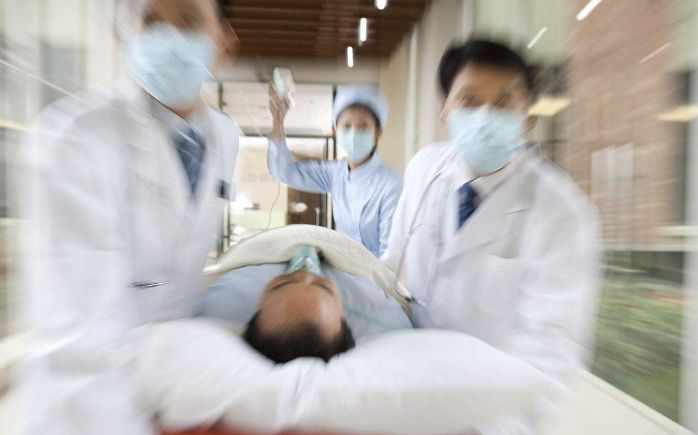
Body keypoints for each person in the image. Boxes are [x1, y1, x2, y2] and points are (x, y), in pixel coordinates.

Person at [19, 1, 241, 434]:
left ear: (225, 45)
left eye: (190, 21)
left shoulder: (225, 137)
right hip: (85, 412)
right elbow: (77, 346)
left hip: (167, 388)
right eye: (150, 21)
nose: (167, 38)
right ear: (123, 34)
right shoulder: (75, 138)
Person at [383, 39, 601, 433]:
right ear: (445, 110)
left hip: (489, 412)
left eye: (503, 102)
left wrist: (490, 426)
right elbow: (391, 264)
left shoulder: (562, 212)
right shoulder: (424, 169)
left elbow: (549, 352)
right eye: (468, 100)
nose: (484, 116)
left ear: (527, 117)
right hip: (409, 385)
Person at [197, 226, 413, 363]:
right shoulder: (387, 320)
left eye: (282, 283)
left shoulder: (219, 304)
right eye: (324, 287)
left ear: (258, 305)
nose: (305, 274)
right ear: (343, 314)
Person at [267, 84, 402, 257]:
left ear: (378, 133)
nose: (353, 133)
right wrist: (278, 120)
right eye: (347, 126)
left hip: (374, 271)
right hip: (341, 266)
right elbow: (284, 172)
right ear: (335, 132)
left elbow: (390, 255)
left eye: (363, 127)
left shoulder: (391, 183)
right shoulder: (335, 173)